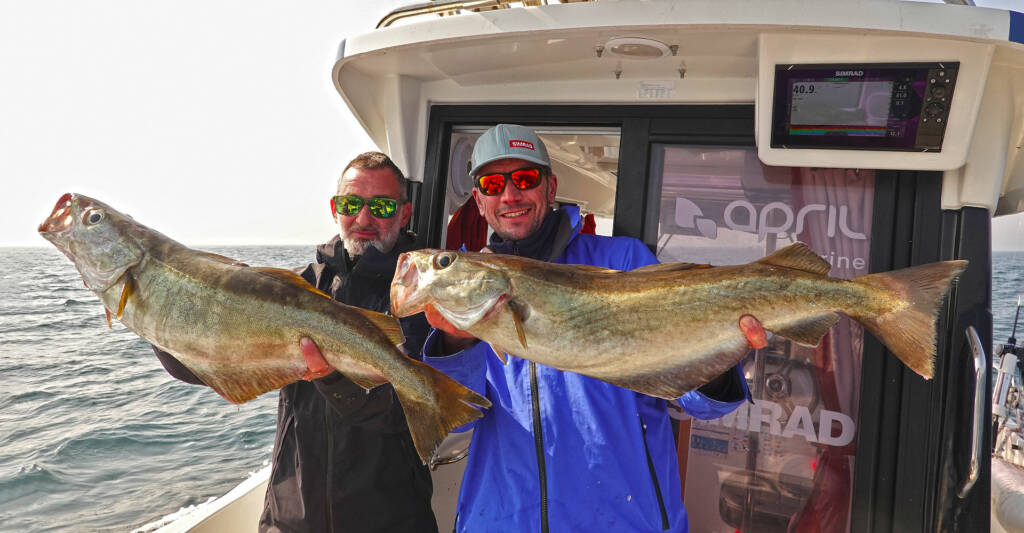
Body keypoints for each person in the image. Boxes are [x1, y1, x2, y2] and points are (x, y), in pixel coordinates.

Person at [421, 124, 753, 532]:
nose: (510, 195)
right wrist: (455, 343)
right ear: (479, 199)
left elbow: (694, 399)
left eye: (525, 179)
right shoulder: (467, 288)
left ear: (550, 186)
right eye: (493, 183)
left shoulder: (624, 261)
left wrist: (719, 353)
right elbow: (454, 420)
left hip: (625, 521)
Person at [152, 152, 438, 533]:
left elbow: (411, 418)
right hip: (290, 519)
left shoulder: (424, 296)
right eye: (351, 204)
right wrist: (149, 314)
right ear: (335, 208)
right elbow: (206, 366)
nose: (364, 219)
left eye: (382, 206)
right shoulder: (294, 286)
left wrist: (332, 379)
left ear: (404, 214)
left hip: (392, 519)